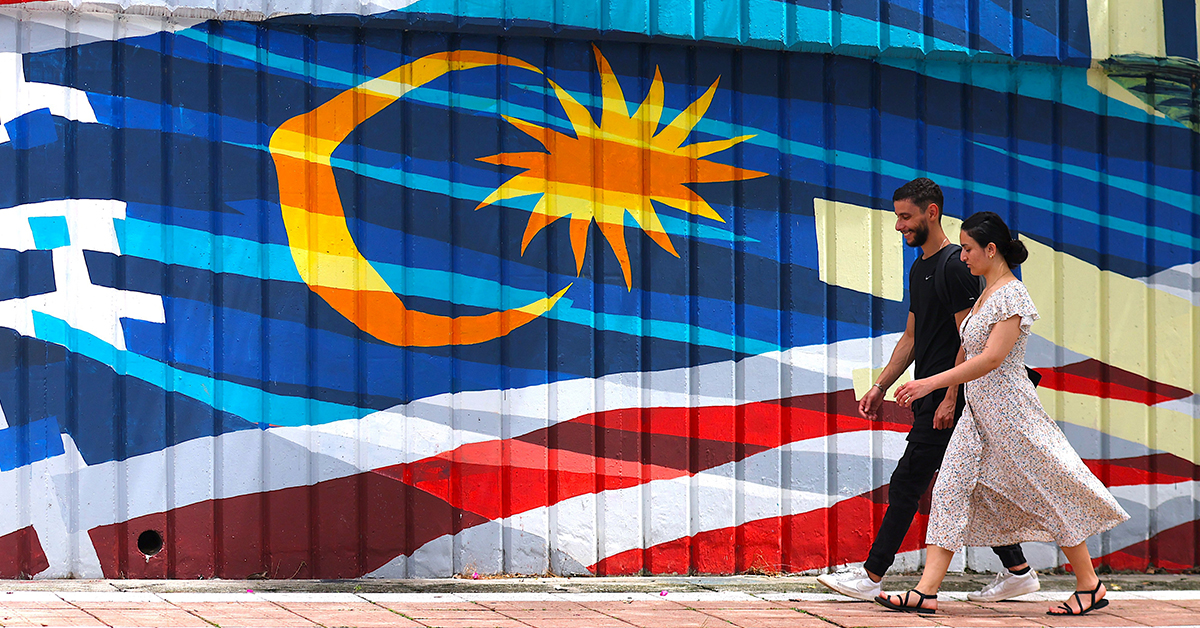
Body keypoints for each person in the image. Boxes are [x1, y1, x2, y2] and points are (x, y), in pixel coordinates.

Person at [877, 211, 1130, 616]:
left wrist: (929, 383)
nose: (962, 256)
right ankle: (925, 592)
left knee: (1051, 491)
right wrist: (949, 393)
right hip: (976, 417)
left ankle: (1090, 585)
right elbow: (967, 349)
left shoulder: (1012, 296)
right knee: (949, 491)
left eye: (968, 249)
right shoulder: (986, 294)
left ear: (991, 249)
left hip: (1011, 414)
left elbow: (992, 358)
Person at [818, 179, 1039, 603]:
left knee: (908, 482)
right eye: (898, 217)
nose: (899, 225)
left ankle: (872, 575)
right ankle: (1018, 571)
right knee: (972, 486)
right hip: (932, 394)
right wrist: (880, 385)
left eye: (906, 216)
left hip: (949, 397)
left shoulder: (955, 266)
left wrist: (951, 398)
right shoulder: (920, 268)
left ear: (931, 212)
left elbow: (970, 339)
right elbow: (912, 337)